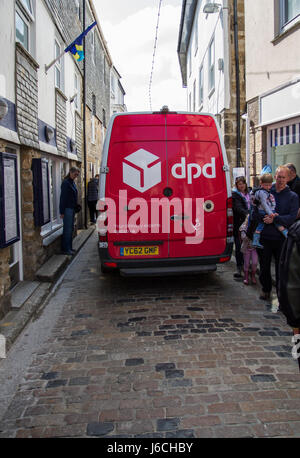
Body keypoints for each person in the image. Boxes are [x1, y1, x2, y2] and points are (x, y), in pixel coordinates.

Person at [258, 165, 298, 301]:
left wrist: (275, 218)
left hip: (282, 239)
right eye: (278, 177)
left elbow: (291, 217)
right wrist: (264, 217)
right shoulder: (266, 192)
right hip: (265, 236)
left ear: (288, 179)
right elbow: (256, 210)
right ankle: (266, 289)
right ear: (275, 177)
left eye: (283, 177)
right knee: (264, 267)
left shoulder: (292, 196)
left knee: (282, 269)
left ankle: (281, 296)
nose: (280, 180)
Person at [252, 173, 288, 249]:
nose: (268, 187)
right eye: (266, 185)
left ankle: (255, 241)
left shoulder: (265, 191)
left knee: (260, 226)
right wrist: (271, 213)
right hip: (265, 211)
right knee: (277, 222)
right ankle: (286, 234)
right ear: (261, 183)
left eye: (269, 185)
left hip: (267, 210)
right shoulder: (262, 193)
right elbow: (264, 204)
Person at [232, 176, 250, 278]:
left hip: (249, 224)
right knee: (239, 246)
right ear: (237, 185)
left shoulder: (249, 193)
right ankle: (239, 267)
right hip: (239, 225)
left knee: (249, 246)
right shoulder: (235, 195)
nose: (242, 185)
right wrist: (248, 214)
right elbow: (238, 208)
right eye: (239, 184)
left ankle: (247, 266)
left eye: (243, 183)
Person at [59, 167, 80, 255]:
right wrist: (62, 212)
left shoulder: (72, 182)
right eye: (75, 174)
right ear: (71, 173)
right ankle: (66, 249)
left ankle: (70, 247)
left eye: (77, 175)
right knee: (67, 229)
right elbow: (62, 198)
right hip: (67, 209)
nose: (76, 176)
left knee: (70, 228)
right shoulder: (66, 183)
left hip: (72, 209)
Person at [240, 215, 258, 285]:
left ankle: (253, 275)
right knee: (246, 263)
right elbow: (243, 237)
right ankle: (246, 276)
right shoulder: (243, 227)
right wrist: (250, 232)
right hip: (246, 248)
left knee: (255, 262)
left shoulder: (257, 227)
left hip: (254, 248)